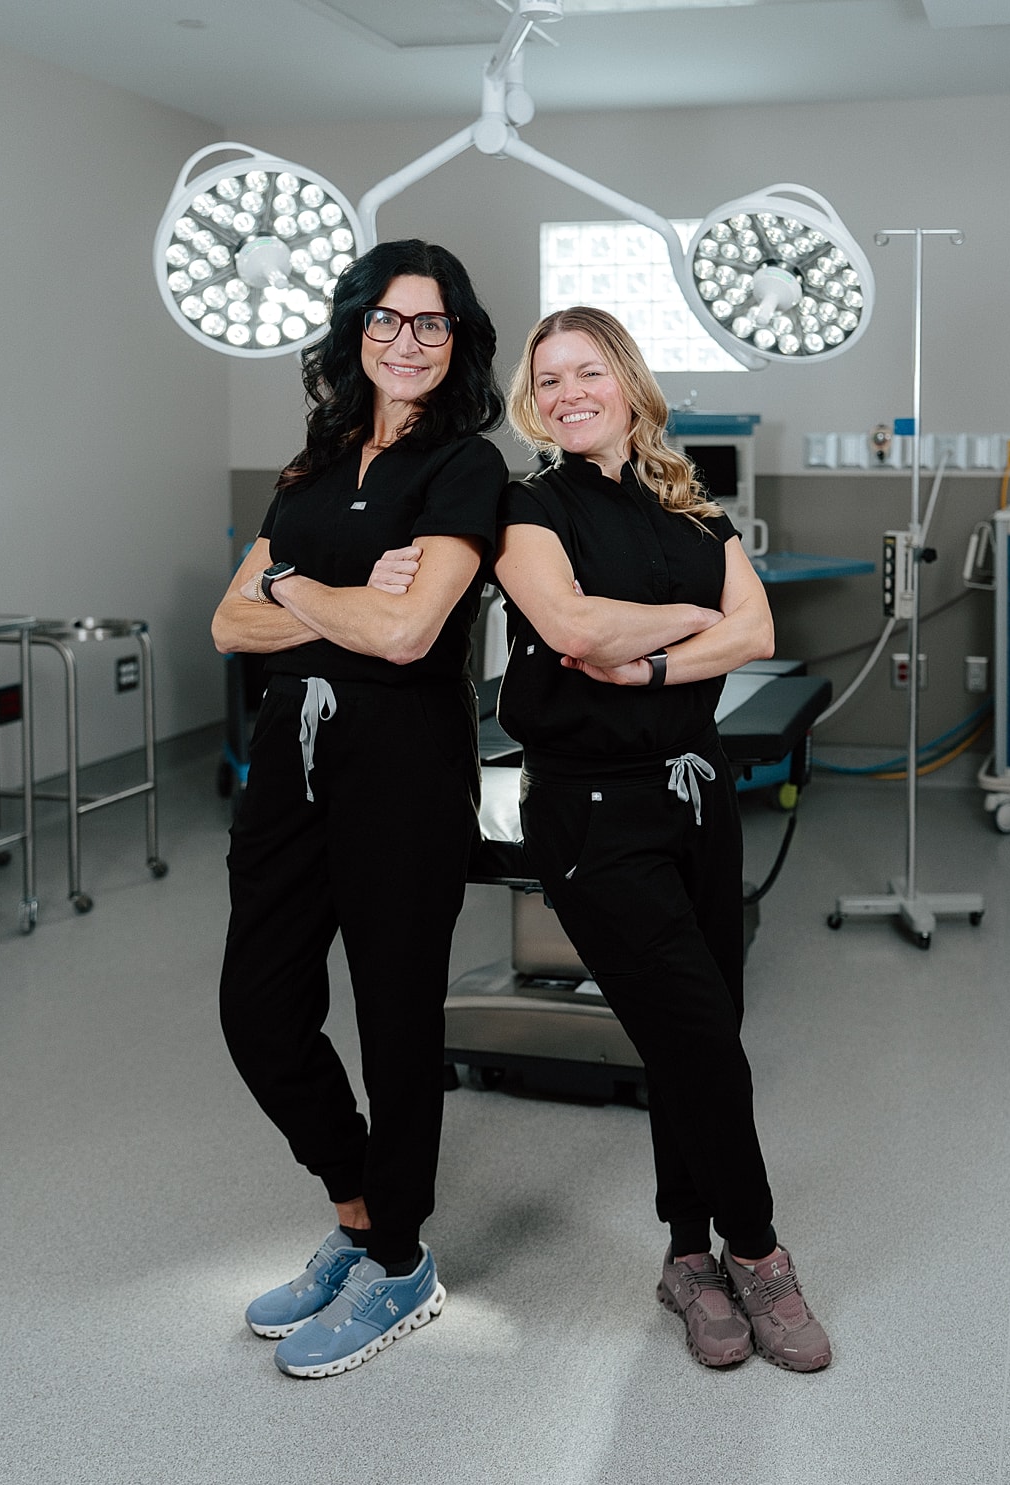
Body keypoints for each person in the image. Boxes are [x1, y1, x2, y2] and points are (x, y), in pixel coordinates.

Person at [494, 306, 830, 1372]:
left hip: (696, 795)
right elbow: (574, 631)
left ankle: (688, 1256)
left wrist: (644, 652)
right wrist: (691, 622)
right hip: (591, 811)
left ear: (629, 384)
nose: (567, 394)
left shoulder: (692, 506)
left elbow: (759, 631)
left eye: (586, 372)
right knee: (698, 1039)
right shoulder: (527, 507)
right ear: (532, 403)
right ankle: (762, 1257)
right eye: (547, 382)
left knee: (697, 1034)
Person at [211, 239, 507, 1381]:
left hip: (404, 767)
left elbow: (407, 634)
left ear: (459, 340)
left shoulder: (467, 468)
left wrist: (289, 588)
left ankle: (398, 1260)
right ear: (354, 334)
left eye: (430, 323)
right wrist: (316, 590)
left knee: (396, 1024)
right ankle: (354, 1208)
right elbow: (233, 626)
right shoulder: (313, 465)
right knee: (259, 1011)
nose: (406, 342)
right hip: (289, 760)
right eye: (386, 321)